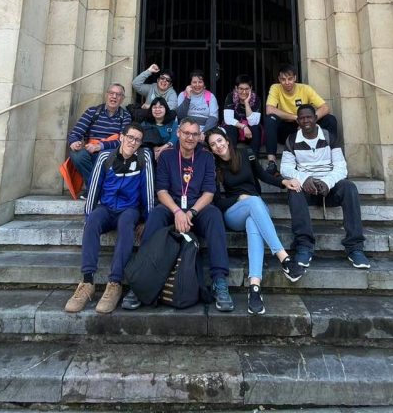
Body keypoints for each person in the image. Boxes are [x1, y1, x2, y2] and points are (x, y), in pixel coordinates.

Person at [121, 116, 234, 312]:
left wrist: (191, 212)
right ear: (178, 133)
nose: (190, 137)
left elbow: (209, 192)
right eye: (186, 133)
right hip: (171, 207)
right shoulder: (167, 156)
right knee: (156, 215)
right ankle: (141, 281)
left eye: (194, 134)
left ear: (199, 137)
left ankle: (219, 281)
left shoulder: (206, 157)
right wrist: (177, 211)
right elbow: (161, 191)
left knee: (215, 215)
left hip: (197, 208)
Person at [207, 127, 302, 315]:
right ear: (211, 149)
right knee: (253, 202)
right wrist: (238, 199)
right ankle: (284, 258)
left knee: (253, 219)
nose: (218, 146)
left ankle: (254, 288)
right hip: (233, 213)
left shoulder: (246, 154)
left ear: (227, 140)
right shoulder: (214, 167)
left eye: (219, 141)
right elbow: (217, 201)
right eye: (212, 145)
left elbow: (263, 175)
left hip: (256, 209)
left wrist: (284, 182)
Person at [65, 122, 154, 314]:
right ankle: (87, 282)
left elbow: (148, 188)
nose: (133, 142)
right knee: (92, 220)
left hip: (129, 209)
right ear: (121, 137)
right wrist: (89, 215)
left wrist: (147, 219)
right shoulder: (106, 156)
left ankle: (115, 282)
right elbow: (94, 187)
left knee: (126, 223)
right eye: (130, 137)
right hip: (106, 207)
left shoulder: (144, 157)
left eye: (137, 140)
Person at [281, 104, 371, 270]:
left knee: (349, 187)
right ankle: (304, 246)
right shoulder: (292, 140)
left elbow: (341, 168)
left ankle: (355, 248)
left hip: (329, 188)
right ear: (298, 121)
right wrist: (304, 179)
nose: (306, 121)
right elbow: (285, 169)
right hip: (306, 189)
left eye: (309, 117)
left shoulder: (330, 137)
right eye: (302, 118)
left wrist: (327, 182)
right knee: (293, 190)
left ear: (316, 118)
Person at [66, 83, 132, 190]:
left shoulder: (125, 116)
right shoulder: (92, 111)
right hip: (91, 151)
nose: (114, 96)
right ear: (106, 95)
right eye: (111, 93)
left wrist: (100, 146)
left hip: (111, 153)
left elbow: (123, 141)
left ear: (122, 99)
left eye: (118, 94)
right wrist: (74, 142)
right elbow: (75, 133)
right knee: (77, 155)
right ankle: (97, 189)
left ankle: (93, 190)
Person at [264, 63, 339, 156]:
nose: (287, 82)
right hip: (287, 129)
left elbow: (325, 108)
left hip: (307, 127)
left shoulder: (305, 88)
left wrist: (309, 121)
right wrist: (296, 118)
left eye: (290, 79)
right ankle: (271, 160)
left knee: (330, 119)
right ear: (279, 79)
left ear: (295, 78)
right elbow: (269, 110)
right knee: (270, 119)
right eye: (283, 79)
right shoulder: (275, 88)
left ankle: (333, 154)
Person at [223, 74, 262, 153]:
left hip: (249, 133)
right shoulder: (231, 97)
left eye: (247, 89)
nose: (244, 92)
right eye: (241, 89)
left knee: (256, 128)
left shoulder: (255, 99)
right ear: (236, 88)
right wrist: (243, 127)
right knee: (230, 127)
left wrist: (246, 103)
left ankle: (254, 158)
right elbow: (228, 119)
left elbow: (254, 122)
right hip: (236, 132)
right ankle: (232, 156)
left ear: (251, 88)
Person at [175, 69, 219, 135]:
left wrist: (203, 132)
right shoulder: (182, 95)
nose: (197, 85)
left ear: (204, 84)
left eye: (200, 82)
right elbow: (180, 115)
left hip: (205, 129)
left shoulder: (210, 96)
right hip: (186, 129)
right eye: (194, 82)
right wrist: (188, 98)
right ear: (190, 84)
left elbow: (214, 118)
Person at [141, 96, 177, 161]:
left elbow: (176, 137)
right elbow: (140, 138)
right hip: (149, 153)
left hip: (168, 152)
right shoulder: (145, 123)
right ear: (151, 110)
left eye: (160, 107)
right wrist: (154, 148)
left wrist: (163, 148)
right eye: (154, 107)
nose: (157, 110)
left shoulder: (172, 123)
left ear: (166, 109)